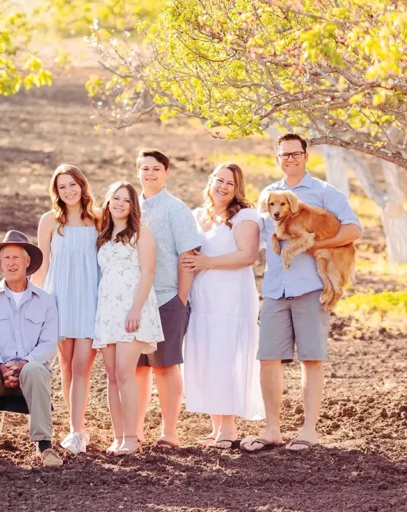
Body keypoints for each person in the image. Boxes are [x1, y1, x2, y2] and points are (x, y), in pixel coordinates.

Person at [241, 133, 362, 453]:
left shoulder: (324, 193)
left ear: (306, 156)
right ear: (277, 157)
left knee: (311, 358)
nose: (290, 159)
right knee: (268, 358)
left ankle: (309, 431)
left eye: (295, 154)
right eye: (284, 154)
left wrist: (315, 246)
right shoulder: (268, 194)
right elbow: (260, 238)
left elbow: (353, 229)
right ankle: (272, 431)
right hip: (275, 288)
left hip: (309, 287)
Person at [180, 163, 264, 449]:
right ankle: (216, 429)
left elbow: (247, 256)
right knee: (207, 358)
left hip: (231, 299)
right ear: (211, 181)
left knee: (226, 357)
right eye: (219, 180)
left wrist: (207, 263)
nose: (223, 186)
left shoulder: (245, 217)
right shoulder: (197, 215)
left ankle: (228, 430)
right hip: (203, 298)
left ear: (237, 187)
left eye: (230, 183)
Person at [0, 230, 63, 467]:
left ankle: (45, 446)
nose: (11, 263)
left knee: (34, 369)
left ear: (27, 261)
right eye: (6, 258)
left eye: (16, 258)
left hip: (31, 375)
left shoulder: (46, 300)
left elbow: (50, 343)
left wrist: (22, 364)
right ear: (0, 263)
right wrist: (1, 366)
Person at [134, 148, 201, 449]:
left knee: (164, 366)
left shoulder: (177, 210)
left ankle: (169, 432)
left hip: (165, 298)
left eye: (156, 169)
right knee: (136, 368)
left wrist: (181, 299)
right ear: (138, 172)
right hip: (132, 303)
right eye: (144, 168)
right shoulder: (128, 206)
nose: (149, 173)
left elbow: (188, 256)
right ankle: (134, 431)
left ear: (166, 173)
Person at [31, 163, 100, 456]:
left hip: (89, 298)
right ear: (56, 192)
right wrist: (37, 301)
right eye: (62, 187)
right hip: (59, 298)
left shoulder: (98, 220)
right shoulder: (49, 221)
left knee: (83, 367)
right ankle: (76, 428)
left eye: (73, 184)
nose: (69, 191)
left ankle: (76, 431)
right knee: (66, 367)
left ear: (82, 185)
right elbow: (42, 265)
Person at [93, 182, 162, 455]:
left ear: (133, 205)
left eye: (126, 200)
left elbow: (148, 272)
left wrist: (135, 309)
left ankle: (132, 437)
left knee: (125, 373)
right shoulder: (103, 234)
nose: (120, 203)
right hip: (107, 310)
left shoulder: (141, 233)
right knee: (111, 376)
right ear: (108, 202)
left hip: (133, 309)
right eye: (115, 198)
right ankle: (118, 436)